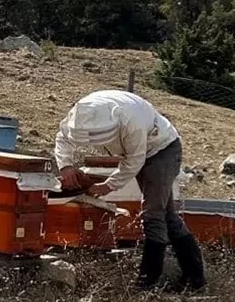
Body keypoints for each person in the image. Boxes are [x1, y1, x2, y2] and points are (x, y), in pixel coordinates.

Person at [53, 90, 205, 291]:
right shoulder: (81, 112)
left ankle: (148, 284)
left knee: (153, 214)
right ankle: (195, 279)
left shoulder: (131, 122)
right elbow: (63, 137)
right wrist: (65, 166)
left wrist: (108, 185)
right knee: (167, 216)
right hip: (140, 151)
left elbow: (135, 160)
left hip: (161, 150)